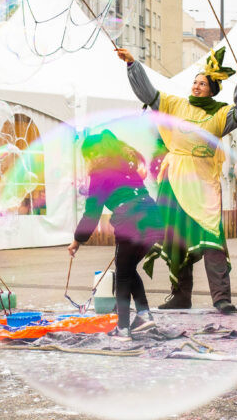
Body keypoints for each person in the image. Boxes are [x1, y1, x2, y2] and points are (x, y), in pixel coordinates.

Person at [116, 47, 237, 313]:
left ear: (213, 89)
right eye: (195, 82)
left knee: (212, 240)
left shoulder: (220, 114)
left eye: (203, 83)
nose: (196, 86)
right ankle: (180, 295)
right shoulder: (175, 104)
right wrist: (133, 64)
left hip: (204, 185)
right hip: (175, 181)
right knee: (176, 238)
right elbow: (149, 94)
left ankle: (221, 298)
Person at [68, 130, 164, 341]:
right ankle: (143, 314)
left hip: (130, 220)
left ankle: (122, 329)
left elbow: (92, 213)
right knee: (127, 269)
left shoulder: (99, 172)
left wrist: (77, 240)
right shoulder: (125, 164)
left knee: (122, 275)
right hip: (154, 218)